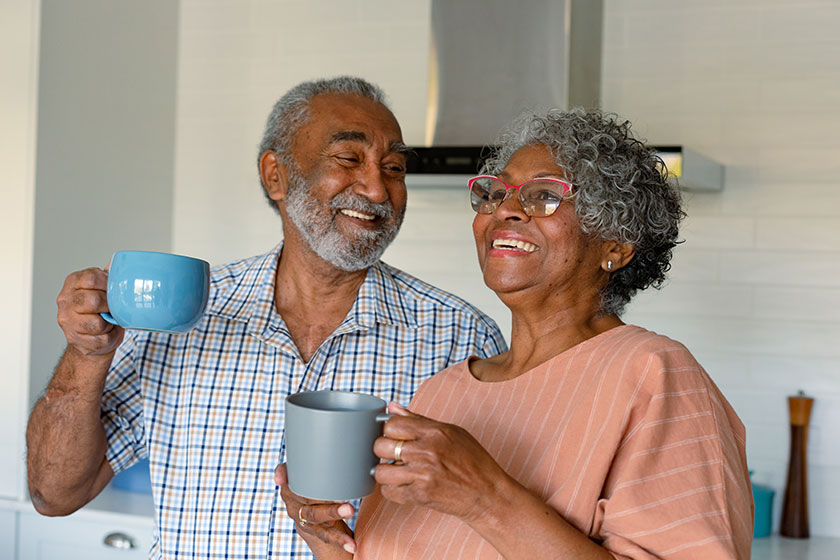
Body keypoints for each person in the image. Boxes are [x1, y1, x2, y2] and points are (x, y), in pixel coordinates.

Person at [25, 76, 507, 559]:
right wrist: (87, 353)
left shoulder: (460, 337)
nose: (378, 189)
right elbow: (55, 493)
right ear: (276, 175)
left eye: (395, 167)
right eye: (348, 159)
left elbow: (490, 530)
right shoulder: (186, 316)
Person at [277, 108, 753, 559]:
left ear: (616, 244)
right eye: (494, 194)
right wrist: (326, 541)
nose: (505, 210)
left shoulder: (656, 376)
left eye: (544, 195)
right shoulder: (444, 392)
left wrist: (483, 496)